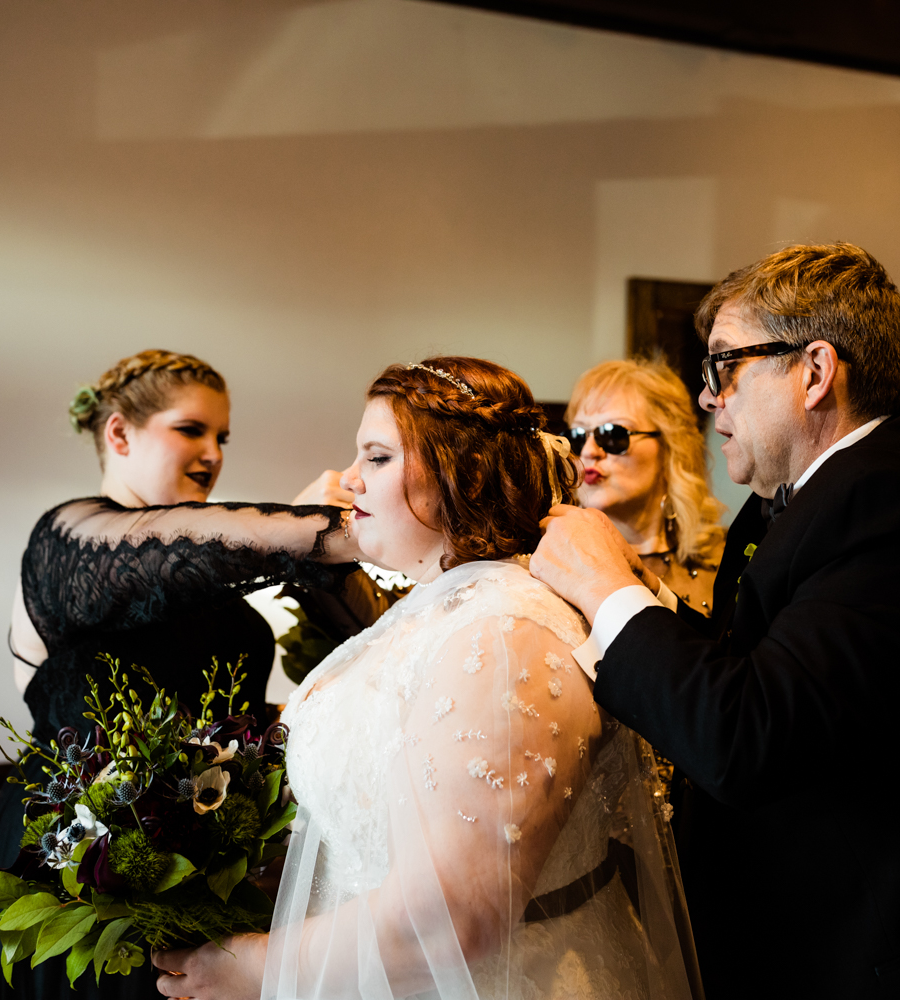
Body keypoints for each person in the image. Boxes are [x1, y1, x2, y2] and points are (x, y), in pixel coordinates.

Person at [531, 245, 900, 998]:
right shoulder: (819, 495)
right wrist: (639, 597)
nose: (708, 399)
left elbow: (748, 735)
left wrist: (606, 591)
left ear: (815, 371)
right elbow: (769, 669)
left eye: (724, 366)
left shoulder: (897, 502)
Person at [152, 358, 697, 1000]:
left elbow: (455, 918)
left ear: (459, 473)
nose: (347, 480)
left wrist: (259, 967)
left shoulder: (507, 632)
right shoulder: (436, 606)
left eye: (377, 458)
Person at [0, 349, 373, 1000]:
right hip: (76, 873)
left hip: (201, 873)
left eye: (222, 436)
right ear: (118, 433)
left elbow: (368, 627)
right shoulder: (67, 541)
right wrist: (318, 525)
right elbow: (187, 552)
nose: (213, 452)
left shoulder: (209, 573)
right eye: (191, 430)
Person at [566, 359, 725, 615]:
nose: (588, 451)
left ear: (669, 447)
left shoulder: (728, 556)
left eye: (612, 434)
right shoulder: (556, 559)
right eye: (577, 436)